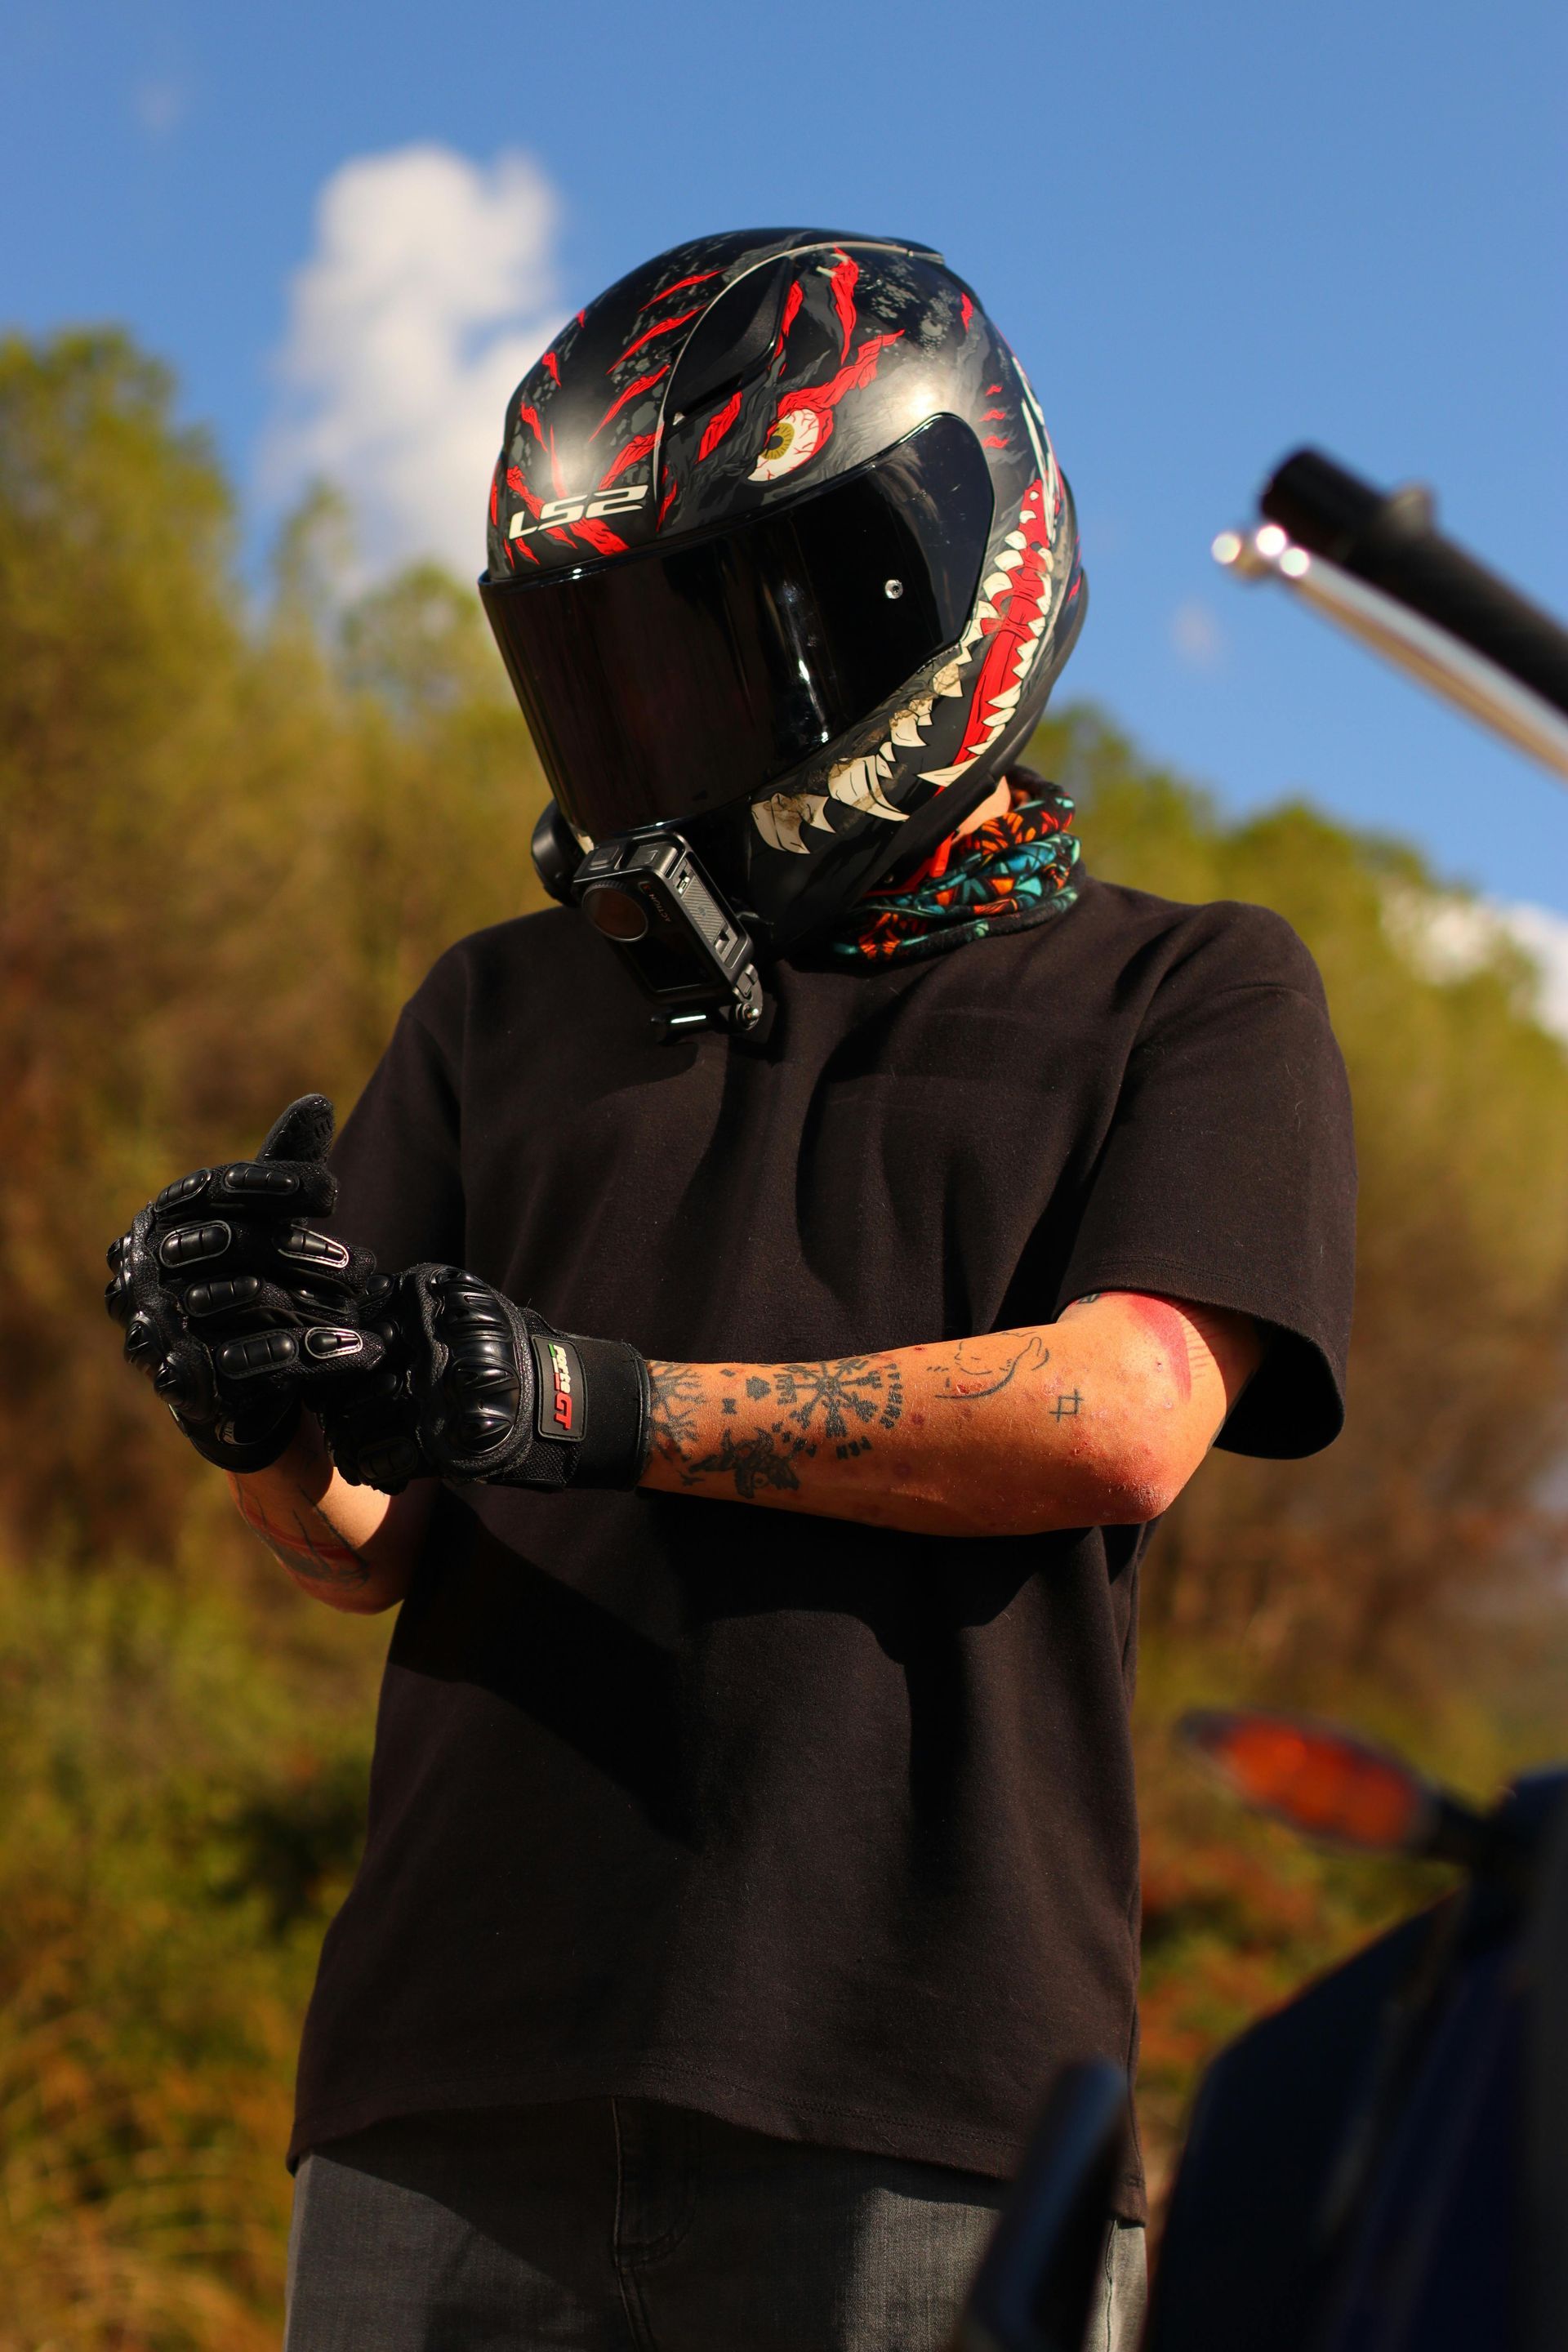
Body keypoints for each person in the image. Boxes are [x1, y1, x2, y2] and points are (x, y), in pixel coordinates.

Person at [107, 228, 1356, 2352]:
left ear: (924, 573)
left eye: (704, 646)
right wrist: (263, 1415)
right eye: (598, 662)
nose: (645, 724)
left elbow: (1126, 1412)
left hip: (921, 2104)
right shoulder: (500, 1009)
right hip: (441, 2084)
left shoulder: (1188, 986)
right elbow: (370, 1547)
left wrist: (602, 1407)